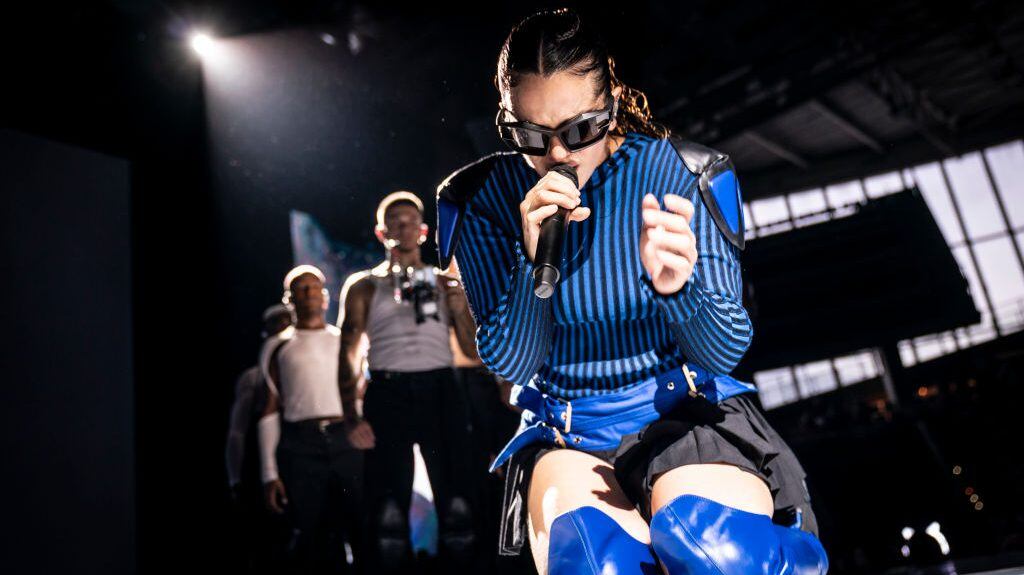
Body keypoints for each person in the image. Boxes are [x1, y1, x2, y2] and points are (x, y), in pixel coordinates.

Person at [436, 8, 827, 575]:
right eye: (530, 135)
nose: (559, 155)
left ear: (613, 102)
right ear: (506, 119)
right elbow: (512, 360)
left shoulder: (684, 172)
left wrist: (680, 290)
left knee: (711, 551)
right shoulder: (479, 199)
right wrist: (527, 265)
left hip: (684, 412)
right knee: (594, 564)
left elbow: (724, 353)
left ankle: (798, 558)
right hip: (570, 431)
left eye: (579, 130)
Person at [336, 191, 478, 573]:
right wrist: (351, 416)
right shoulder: (363, 285)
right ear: (382, 233)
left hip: (441, 389)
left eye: (410, 220)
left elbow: (473, 352)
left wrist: (459, 310)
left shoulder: (445, 280)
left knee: (458, 504)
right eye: (395, 221)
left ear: (424, 230)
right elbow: (349, 352)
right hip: (388, 391)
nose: (404, 227)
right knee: (387, 512)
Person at [258, 265, 366, 574]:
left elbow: (360, 392)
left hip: (345, 438)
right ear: (289, 298)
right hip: (301, 443)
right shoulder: (276, 345)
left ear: (325, 296)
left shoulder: (343, 341)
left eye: (314, 288)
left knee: (359, 524)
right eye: (301, 289)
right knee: (308, 531)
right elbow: (269, 408)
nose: (309, 294)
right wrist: (269, 474)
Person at [225, 304, 293, 573]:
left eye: (287, 321)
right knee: (266, 538)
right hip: (268, 463)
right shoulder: (253, 379)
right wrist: (235, 477)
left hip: (303, 459)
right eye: (277, 323)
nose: (283, 328)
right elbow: (237, 431)